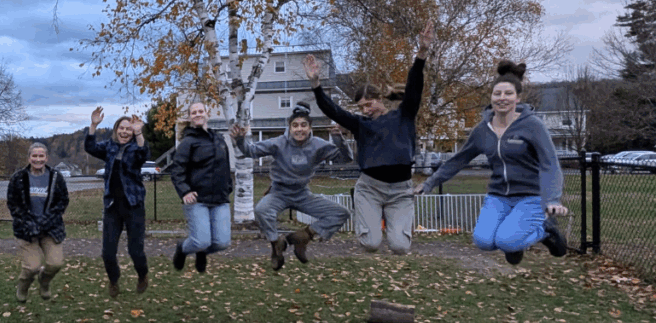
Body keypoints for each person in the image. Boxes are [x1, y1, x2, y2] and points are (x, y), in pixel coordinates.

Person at [415, 61, 567, 265]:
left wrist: (553, 199)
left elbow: (550, 164)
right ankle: (515, 241)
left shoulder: (532, 126)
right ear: (491, 97)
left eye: (508, 94)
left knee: (507, 242)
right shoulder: (482, 130)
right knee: (483, 241)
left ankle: (545, 231)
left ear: (518, 98)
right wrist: (429, 183)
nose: (502, 98)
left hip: (531, 196)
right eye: (497, 94)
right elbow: (458, 160)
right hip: (498, 196)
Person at [307, 22, 435, 255]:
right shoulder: (360, 124)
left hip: (400, 190)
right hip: (370, 188)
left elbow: (414, 86)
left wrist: (422, 53)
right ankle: (366, 215)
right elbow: (333, 110)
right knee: (371, 243)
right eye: (361, 107)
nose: (366, 110)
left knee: (400, 246)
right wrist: (316, 85)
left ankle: (395, 227)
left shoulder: (404, 115)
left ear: (380, 100)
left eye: (369, 104)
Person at [230, 104, 352, 270]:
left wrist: (338, 138)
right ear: (289, 128)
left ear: (310, 128)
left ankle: (303, 236)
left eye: (303, 125)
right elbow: (251, 151)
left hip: (302, 194)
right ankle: (276, 244)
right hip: (279, 192)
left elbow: (345, 159)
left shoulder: (318, 145)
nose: (299, 129)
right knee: (261, 210)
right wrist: (239, 139)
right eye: (295, 125)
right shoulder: (278, 143)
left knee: (340, 213)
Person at [84, 107, 150, 297]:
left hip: (134, 206)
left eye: (128, 129)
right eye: (121, 128)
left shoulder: (135, 147)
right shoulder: (109, 147)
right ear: (116, 130)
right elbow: (90, 147)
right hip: (113, 206)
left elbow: (143, 154)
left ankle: (143, 275)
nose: (124, 132)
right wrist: (93, 126)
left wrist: (139, 133)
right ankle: (114, 280)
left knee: (135, 251)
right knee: (108, 253)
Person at [168, 102, 232, 273]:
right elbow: (177, 170)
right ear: (190, 117)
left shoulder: (219, 139)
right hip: (198, 200)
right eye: (193, 112)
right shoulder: (188, 142)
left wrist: (228, 187)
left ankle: (201, 252)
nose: (197, 114)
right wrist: (185, 191)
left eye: (200, 111)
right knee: (201, 241)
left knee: (222, 242)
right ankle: (183, 248)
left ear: (207, 114)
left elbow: (225, 165)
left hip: (220, 198)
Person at [7, 143, 69, 302]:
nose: (38, 159)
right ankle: (23, 286)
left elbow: (63, 201)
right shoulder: (18, 177)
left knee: (55, 264)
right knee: (32, 267)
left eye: (41, 156)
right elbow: (13, 204)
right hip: (26, 229)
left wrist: (46, 220)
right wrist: (28, 222)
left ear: (46, 158)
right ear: (29, 158)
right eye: (34, 156)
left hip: (51, 228)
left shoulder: (56, 177)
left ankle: (45, 281)